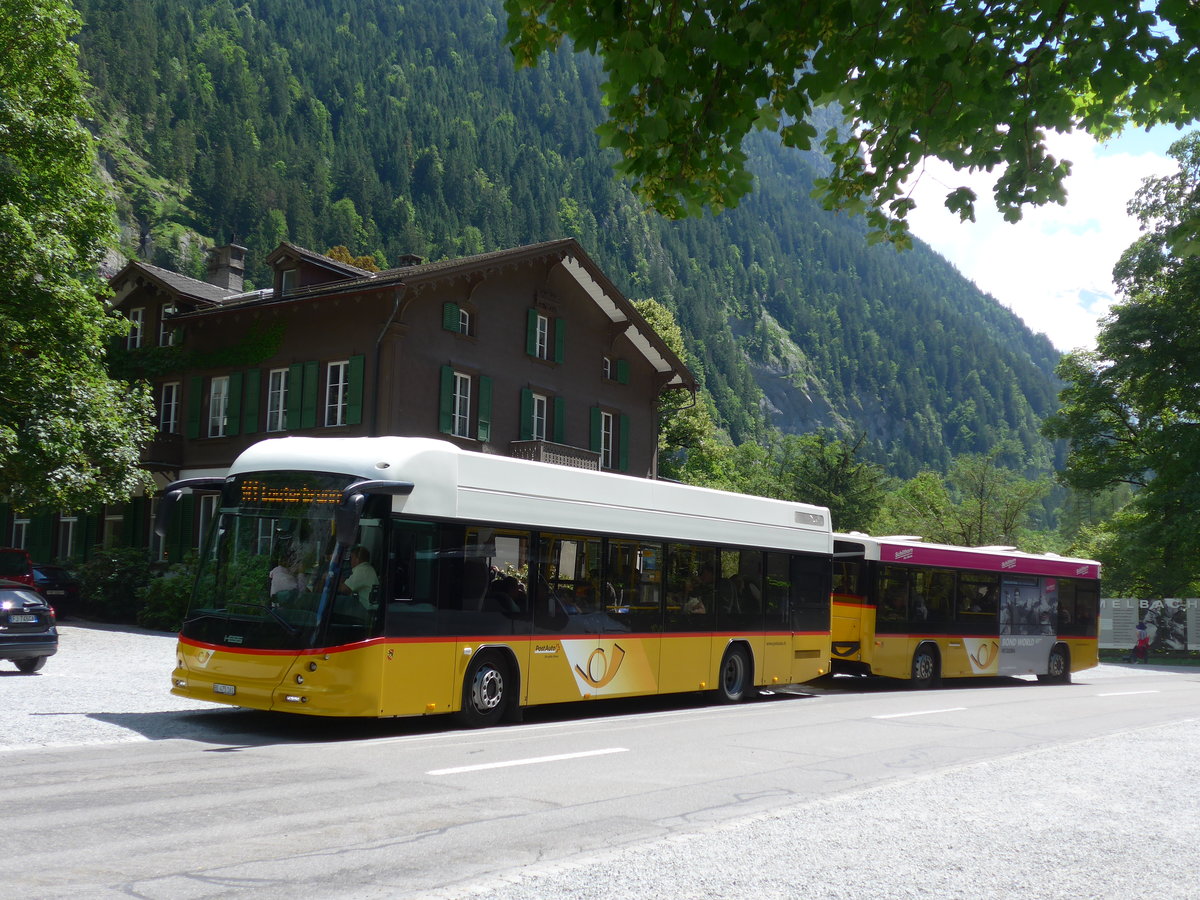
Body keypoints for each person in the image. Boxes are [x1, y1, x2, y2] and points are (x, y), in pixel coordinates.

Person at [339, 545, 379, 610]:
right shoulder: (366, 568)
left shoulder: (362, 570)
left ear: (357, 560)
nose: (350, 561)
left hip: (369, 611)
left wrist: (333, 580)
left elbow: (345, 590)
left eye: (351, 558)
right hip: (366, 607)